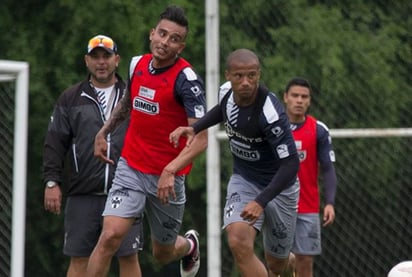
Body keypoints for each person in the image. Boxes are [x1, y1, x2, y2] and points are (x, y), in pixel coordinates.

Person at [87, 5, 207, 277]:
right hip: (131, 168)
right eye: (162, 34)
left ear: (181, 47)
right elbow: (129, 103)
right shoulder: (136, 64)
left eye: (173, 39)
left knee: (162, 253)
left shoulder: (186, 80)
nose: (165, 42)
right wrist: (102, 132)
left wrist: (170, 170)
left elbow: (201, 140)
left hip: (168, 180)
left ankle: (188, 246)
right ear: (152, 34)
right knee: (109, 238)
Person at [169, 48, 300, 277]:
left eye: (252, 75)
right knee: (238, 240)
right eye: (239, 76)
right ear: (228, 75)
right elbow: (223, 110)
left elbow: (290, 165)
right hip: (244, 179)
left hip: (280, 189)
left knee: (277, 265)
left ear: (259, 75)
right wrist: (195, 127)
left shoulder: (270, 113)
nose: (246, 82)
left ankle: (289, 262)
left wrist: (260, 201)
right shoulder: (226, 93)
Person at [42, 34, 143, 277]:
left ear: (117, 60)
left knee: (128, 256)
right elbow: (55, 142)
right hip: (83, 192)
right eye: (95, 57)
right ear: (86, 61)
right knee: (79, 259)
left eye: (106, 56)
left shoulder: (134, 95)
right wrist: (52, 181)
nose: (101, 62)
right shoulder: (71, 98)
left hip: (126, 189)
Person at [282, 77, 337, 277]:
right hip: (277, 204)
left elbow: (328, 169)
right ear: (285, 98)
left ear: (309, 101)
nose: (299, 100)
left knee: (305, 261)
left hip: (307, 205)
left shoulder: (318, 130)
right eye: (295, 95)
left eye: (304, 97)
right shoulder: (273, 128)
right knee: (279, 261)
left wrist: (329, 202)